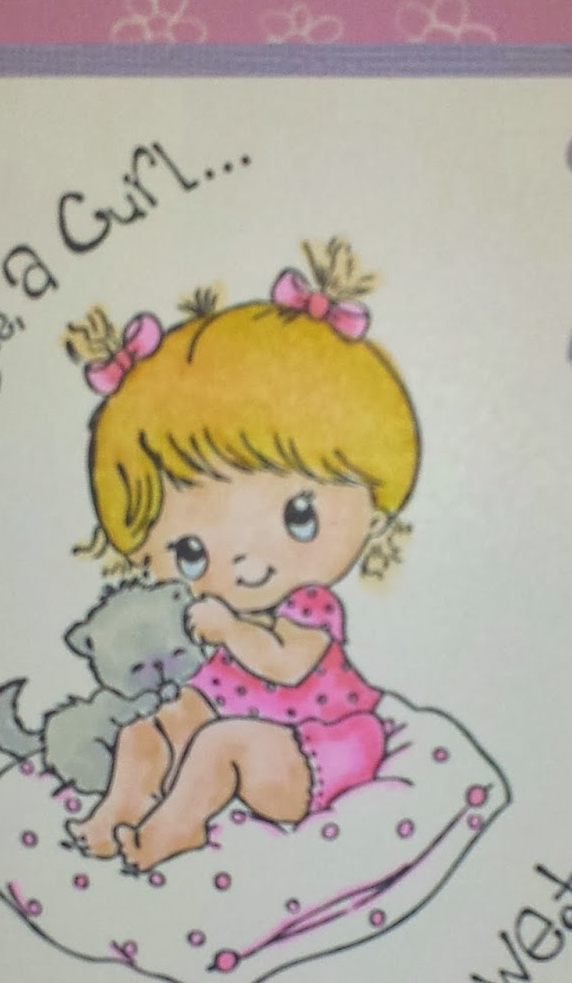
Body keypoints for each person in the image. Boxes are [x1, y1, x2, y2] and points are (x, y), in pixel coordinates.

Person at [63, 240, 419, 871]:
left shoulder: (308, 607)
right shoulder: (207, 616)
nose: (248, 566)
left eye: (298, 515)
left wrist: (228, 628)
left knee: (222, 744)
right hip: (251, 729)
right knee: (150, 726)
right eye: (190, 552)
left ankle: (175, 829)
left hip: (325, 748)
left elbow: (286, 666)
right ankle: (117, 810)